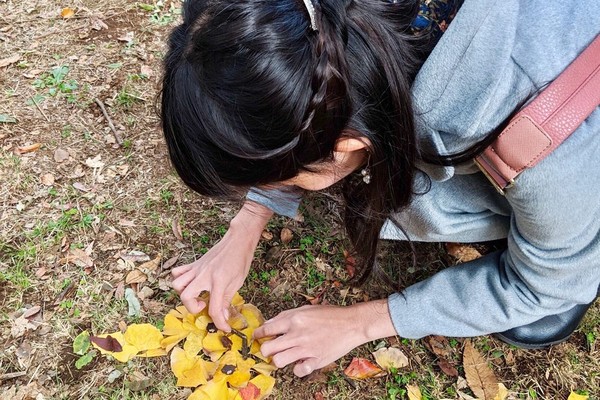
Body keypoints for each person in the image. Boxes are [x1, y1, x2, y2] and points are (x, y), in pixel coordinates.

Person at [160, 0, 600, 378]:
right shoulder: (318, 20)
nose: (275, 190)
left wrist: (361, 323)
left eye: (281, 180)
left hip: (576, 129)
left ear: (347, 144)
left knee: (555, 276)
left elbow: (542, 287)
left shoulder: (544, 144)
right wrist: (246, 224)